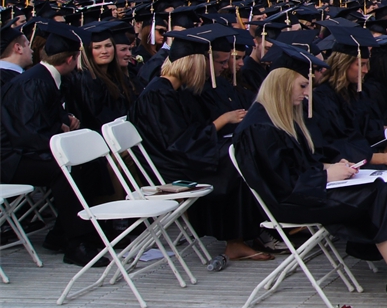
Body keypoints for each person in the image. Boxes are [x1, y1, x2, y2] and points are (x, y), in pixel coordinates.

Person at [231, 56, 387, 308]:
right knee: (378, 192)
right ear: (282, 84)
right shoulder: (259, 127)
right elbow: (282, 184)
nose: (307, 93)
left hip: (308, 188)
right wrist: (326, 176)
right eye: (302, 86)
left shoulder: (277, 117)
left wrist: (332, 167)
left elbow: (301, 165)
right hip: (291, 202)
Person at [127, 28, 275, 262]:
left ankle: (251, 232)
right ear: (193, 64)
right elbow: (178, 142)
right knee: (235, 162)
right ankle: (235, 240)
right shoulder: (159, 94)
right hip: (168, 164)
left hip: (181, 153)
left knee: (242, 153)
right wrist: (220, 125)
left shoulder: (175, 90)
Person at [1, 24, 114, 265]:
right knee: (64, 170)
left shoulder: (45, 78)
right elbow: (26, 132)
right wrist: (59, 137)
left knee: (88, 163)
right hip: (10, 157)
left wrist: (63, 122)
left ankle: (62, 234)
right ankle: (77, 244)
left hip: (25, 149)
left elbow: (38, 119)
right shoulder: (35, 82)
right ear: (72, 59)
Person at [62, 19, 137, 135]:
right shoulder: (85, 79)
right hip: (102, 138)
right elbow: (98, 118)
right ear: (87, 51)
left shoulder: (117, 76)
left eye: (108, 45)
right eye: (97, 47)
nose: (105, 51)